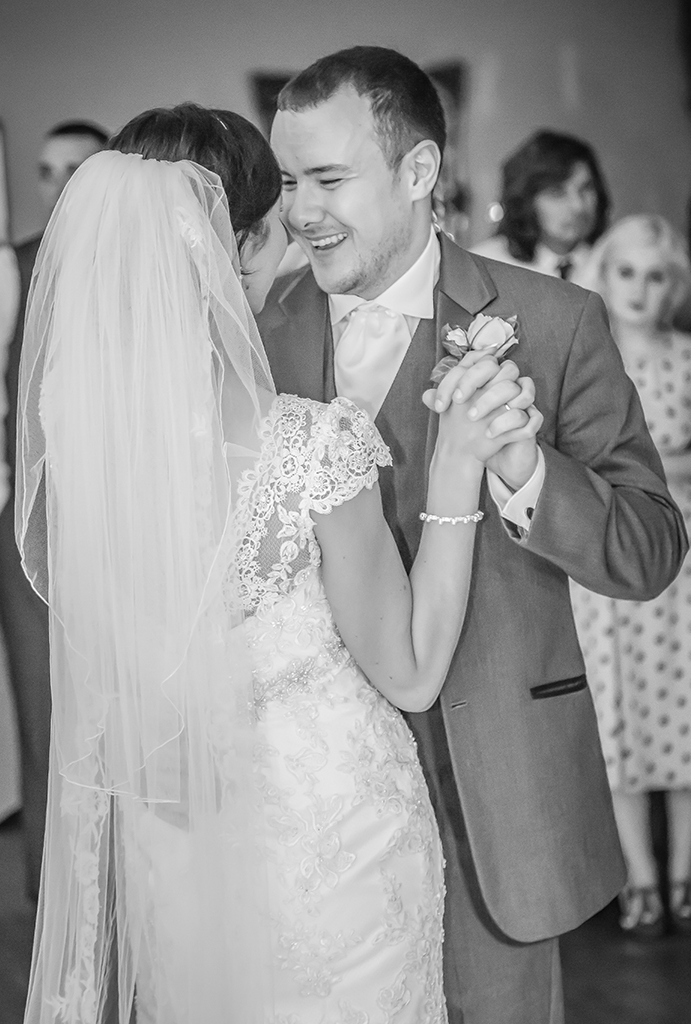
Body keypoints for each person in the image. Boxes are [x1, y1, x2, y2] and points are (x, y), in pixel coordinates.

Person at [17, 102, 541, 1024]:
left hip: (174, 840)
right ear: (248, 244)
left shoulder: (75, 444)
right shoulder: (307, 446)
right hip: (337, 840)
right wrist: (455, 466)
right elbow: (414, 672)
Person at [256, 46, 687, 1024]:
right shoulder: (256, 328)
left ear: (418, 174)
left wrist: (522, 468)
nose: (301, 210)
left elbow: (651, 546)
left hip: (489, 784)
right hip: (309, 803)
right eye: (288, 181)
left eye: (327, 178)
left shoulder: (554, 319)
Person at [0, 118, 108, 899]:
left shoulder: (137, 269)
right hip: (35, 517)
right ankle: (52, 898)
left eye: (76, 169)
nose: (59, 185)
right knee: (44, 705)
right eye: (48, 170)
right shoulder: (7, 270)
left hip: (119, 519)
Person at [571, 215, 691, 939]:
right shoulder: (590, 360)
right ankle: (637, 878)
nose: (640, 289)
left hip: (681, 559)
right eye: (626, 272)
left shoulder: (684, 359)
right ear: (602, 274)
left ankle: (681, 872)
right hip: (611, 556)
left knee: (681, 713)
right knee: (617, 715)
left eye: (655, 275)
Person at [471, 129, 610, 282]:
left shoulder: (616, 268)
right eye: (557, 193)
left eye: (586, 188)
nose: (578, 206)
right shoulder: (485, 266)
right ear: (525, 200)